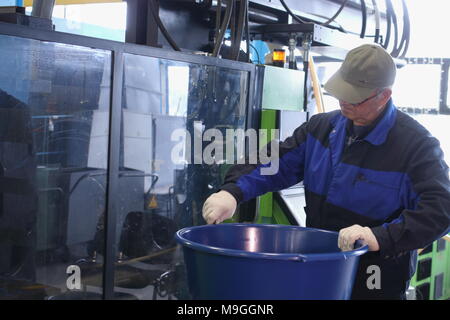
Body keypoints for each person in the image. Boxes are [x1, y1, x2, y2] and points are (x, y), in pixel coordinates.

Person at [201, 44, 450, 300]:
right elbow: (276, 161)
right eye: (341, 93)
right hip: (321, 267)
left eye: (354, 98)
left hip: (375, 275)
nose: (344, 102)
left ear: (384, 96)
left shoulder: (416, 147)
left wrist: (380, 237)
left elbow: (440, 210)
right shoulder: (321, 128)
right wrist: (232, 191)